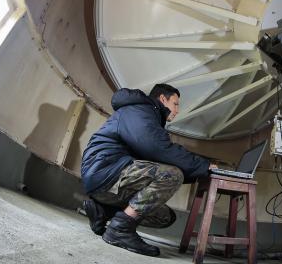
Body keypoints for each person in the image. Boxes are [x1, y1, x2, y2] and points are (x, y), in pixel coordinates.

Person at [80, 83, 216, 257]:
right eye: (175, 104)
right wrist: (204, 166)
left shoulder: (148, 115)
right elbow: (159, 149)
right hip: (106, 172)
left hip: (110, 177)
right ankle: (120, 229)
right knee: (172, 175)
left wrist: (199, 169)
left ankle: (102, 210)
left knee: (164, 216)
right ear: (162, 99)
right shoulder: (141, 110)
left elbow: (158, 156)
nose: (177, 110)